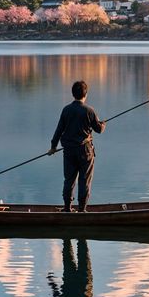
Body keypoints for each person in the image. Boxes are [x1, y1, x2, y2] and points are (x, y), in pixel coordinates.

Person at [48, 79, 104, 211]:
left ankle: (67, 208)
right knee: (84, 180)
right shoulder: (89, 111)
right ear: (86, 94)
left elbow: (58, 130)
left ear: (73, 94)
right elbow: (99, 129)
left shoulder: (66, 110)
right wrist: (103, 124)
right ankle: (82, 209)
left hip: (69, 151)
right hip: (85, 151)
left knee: (69, 180)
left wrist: (53, 147)